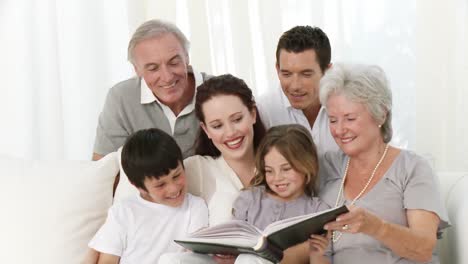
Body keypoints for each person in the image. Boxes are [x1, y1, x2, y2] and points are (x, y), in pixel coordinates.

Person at [158, 75, 310, 264]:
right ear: (206, 130)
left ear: (253, 114)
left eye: (237, 119)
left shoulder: (283, 163)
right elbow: (149, 196)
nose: (230, 133)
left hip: (266, 261)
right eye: (217, 125)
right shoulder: (197, 168)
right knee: (170, 260)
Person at [317, 63, 449, 263]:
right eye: (333, 120)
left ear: (381, 113)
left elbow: (424, 248)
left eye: (350, 118)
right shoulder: (328, 167)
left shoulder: (412, 168)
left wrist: (376, 227)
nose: (339, 130)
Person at [92, 19, 211, 161]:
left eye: (174, 62)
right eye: (153, 68)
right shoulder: (120, 98)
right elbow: (104, 170)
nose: (167, 77)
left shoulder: (222, 92)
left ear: (186, 57)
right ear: (137, 70)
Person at [87, 128, 208, 263]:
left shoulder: (195, 207)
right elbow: (107, 261)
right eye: (160, 185)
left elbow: (194, 258)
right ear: (138, 186)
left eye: (177, 175)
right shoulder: (123, 212)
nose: (173, 189)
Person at [232, 124, 331, 264]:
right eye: (269, 171)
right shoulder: (250, 199)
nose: (277, 178)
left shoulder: (317, 212)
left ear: (306, 165)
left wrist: (317, 255)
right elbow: (233, 242)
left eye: (286, 169)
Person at [257, 25, 339, 157]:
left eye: (306, 74)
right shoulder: (262, 110)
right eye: (286, 74)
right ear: (277, 69)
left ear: (327, 71)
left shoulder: (349, 104)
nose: (295, 86)